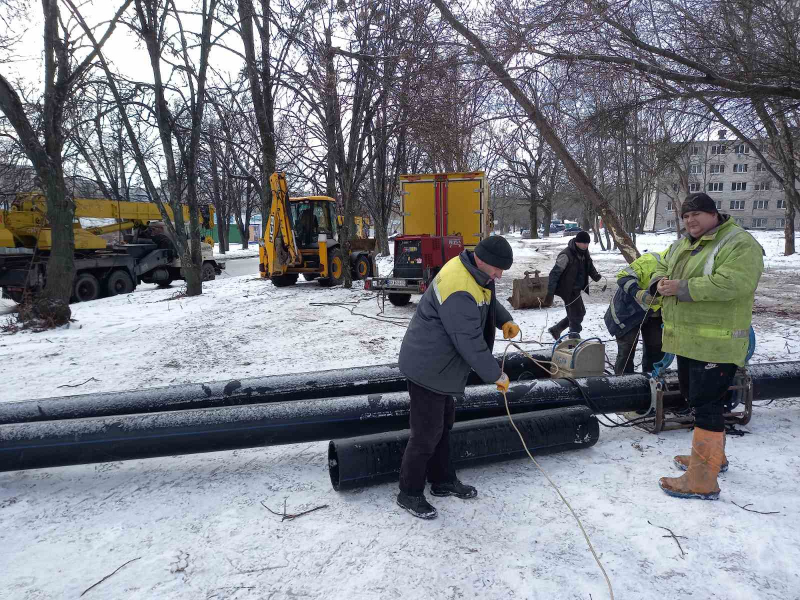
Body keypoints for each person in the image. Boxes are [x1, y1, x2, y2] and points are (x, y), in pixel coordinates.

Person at [649, 192, 763, 500]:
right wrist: (659, 281)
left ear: (714, 213)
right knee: (696, 399)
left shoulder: (738, 243)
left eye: (696, 214)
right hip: (689, 341)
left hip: (717, 343)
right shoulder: (684, 244)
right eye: (686, 217)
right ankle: (713, 459)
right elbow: (660, 264)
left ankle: (702, 479)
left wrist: (682, 288)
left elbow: (734, 282)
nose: (690, 220)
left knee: (707, 404)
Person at [396, 235, 520, 519]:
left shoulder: (474, 272)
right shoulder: (459, 288)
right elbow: (470, 343)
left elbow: (488, 296)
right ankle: (409, 493)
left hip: (444, 367)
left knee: (444, 427)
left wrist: (505, 320)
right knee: (426, 435)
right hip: (428, 367)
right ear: (482, 260)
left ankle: (442, 481)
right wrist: (495, 375)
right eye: (498, 269)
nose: (499, 276)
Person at [604, 250, 666, 375]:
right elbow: (623, 277)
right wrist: (639, 293)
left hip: (654, 314)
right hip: (627, 312)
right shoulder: (651, 260)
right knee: (626, 351)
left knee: (655, 349)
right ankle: (623, 384)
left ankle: (651, 382)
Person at [545, 230, 601, 340]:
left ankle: (556, 329)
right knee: (576, 314)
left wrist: (595, 276)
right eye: (583, 243)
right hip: (566, 289)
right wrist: (550, 293)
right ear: (577, 242)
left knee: (579, 312)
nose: (585, 245)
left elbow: (589, 266)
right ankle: (573, 335)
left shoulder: (584, 253)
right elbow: (554, 273)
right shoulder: (566, 255)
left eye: (587, 243)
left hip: (576, 289)